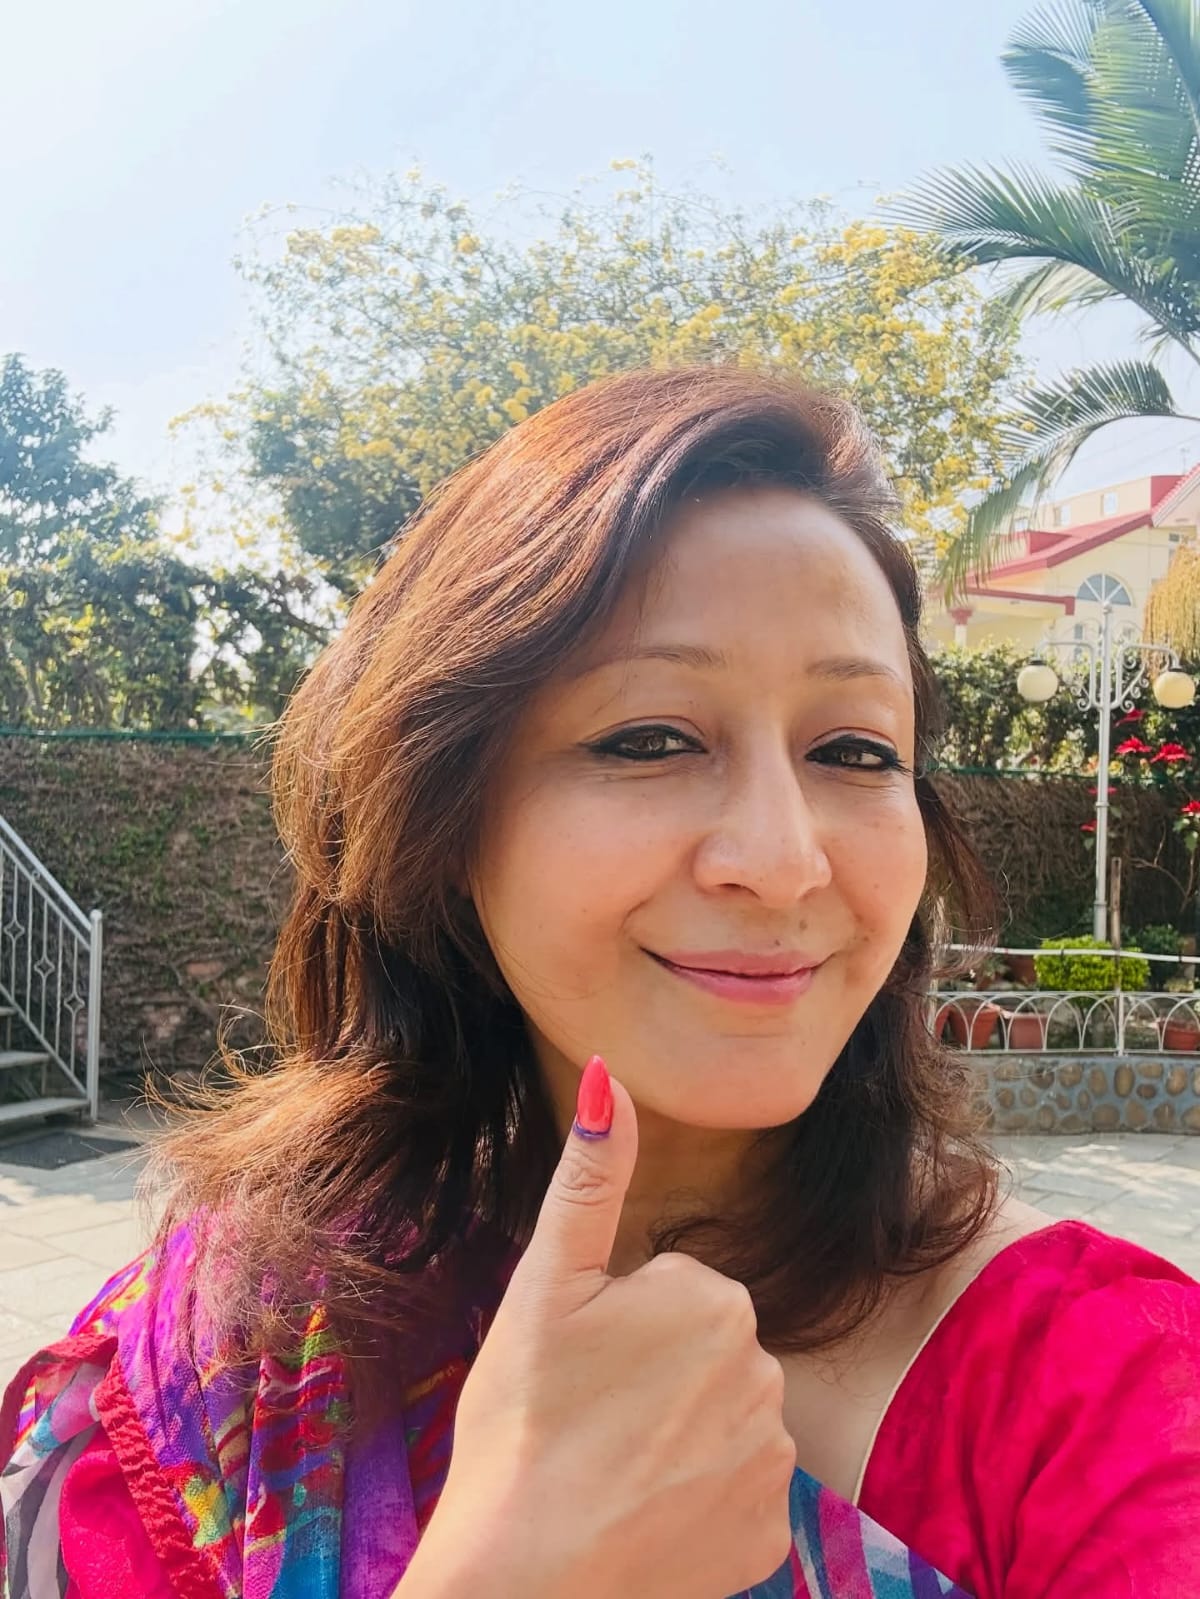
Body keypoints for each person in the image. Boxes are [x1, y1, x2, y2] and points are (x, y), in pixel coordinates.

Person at [3, 367, 1199, 1599]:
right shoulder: (245, 1336)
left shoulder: (1113, 1398)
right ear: (445, 818)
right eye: (651, 739)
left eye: (854, 750)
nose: (784, 860)